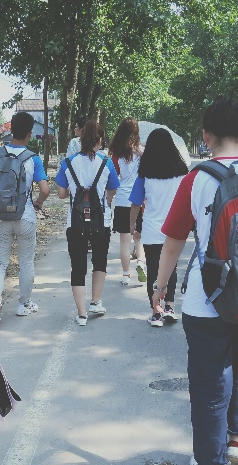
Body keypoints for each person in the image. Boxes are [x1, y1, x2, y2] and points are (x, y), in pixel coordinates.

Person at [153, 96, 238, 465]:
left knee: (209, 381)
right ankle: (237, 443)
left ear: (205, 135)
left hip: (207, 298)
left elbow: (173, 242)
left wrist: (160, 288)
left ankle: (208, 458)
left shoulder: (197, 179)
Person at [0, 112, 50, 328]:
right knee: (26, 262)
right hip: (25, 216)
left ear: (11, 130)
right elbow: (45, 189)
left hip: (0, 217)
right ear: (30, 133)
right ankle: (24, 304)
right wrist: (38, 203)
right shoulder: (33, 158)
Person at [55, 119, 119, 325]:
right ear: (99, 140)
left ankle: (81, 314)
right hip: (101, 221)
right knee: (99, 261)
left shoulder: (68, 163)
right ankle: (95, 301)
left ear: (81, 139)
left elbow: (62, 194)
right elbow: (112, 190)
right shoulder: (106, 163)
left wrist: (76, 192)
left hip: (76, 221)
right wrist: (103, 199)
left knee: (78, 265)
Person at [128, 128, 187, 327]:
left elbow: (136, 203)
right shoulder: (181, 173)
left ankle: (156, 312)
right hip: (175, 228)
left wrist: (131, 225)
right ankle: (169, 306)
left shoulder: (145, 174)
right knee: (172, 268)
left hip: (152, 229)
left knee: (153, 269)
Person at [108, 117, 146, 286]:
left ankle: (125, 275)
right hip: (140, 200)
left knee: (124, 240)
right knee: (139, 237)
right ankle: (141, 263)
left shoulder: (116, 154)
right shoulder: (142, 152)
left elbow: (114, 177)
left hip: (123, 199)